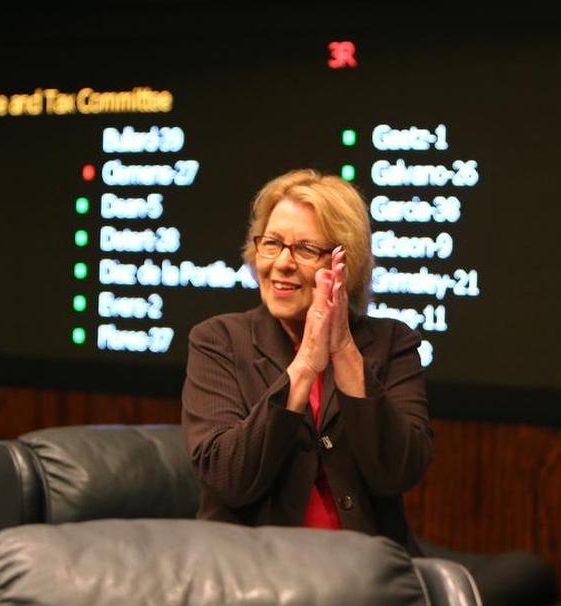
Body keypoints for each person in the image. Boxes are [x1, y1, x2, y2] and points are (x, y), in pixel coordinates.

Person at [181, 169, 432, 555]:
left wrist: (343, 349)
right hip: (254, 572)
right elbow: (230, 477)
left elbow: (397, 472)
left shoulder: (392, 343)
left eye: (305, 249)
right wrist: (303, 367)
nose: (282, 263)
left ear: (344, 262)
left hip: (369, 573)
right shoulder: (219, 341)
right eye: (272, 243)